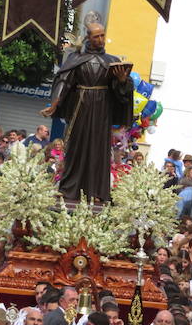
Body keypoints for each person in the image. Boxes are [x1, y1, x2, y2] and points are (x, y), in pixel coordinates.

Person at [43, 22, 133, 202]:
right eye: (96, 36)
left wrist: (122, 81)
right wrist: (55, 102)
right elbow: (64, 81)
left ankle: (96, 192)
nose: (100, 40)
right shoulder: (77, 59)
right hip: (81, 107)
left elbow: (121, 92)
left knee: (98, 150)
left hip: (102, 110)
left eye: (102, 36)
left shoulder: (111, 61)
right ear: (88, 38)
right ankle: (69, 189)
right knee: (76, 147)